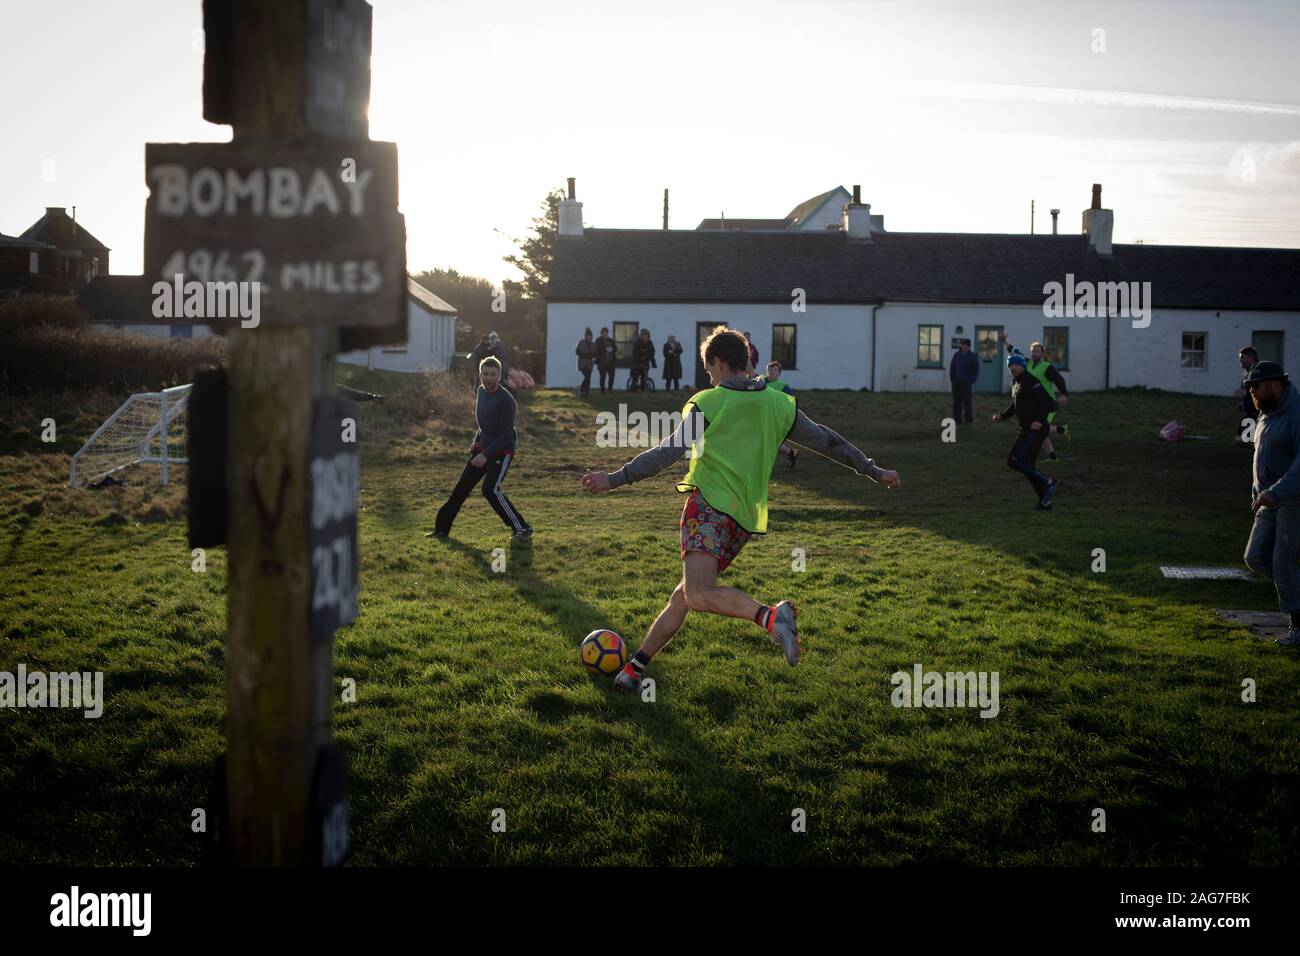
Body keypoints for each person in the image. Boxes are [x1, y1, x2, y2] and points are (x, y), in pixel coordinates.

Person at [581, 325, 901, 691]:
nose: (709, 377)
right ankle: (634, 670)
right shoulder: (779, 405)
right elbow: (830, 442)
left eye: (709, 369)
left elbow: (669, 451)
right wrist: (873, 470)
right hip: (744, 521)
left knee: (698, 594)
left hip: (708, 508)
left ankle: (770, 618)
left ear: (718, 362)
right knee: (685, 594)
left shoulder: (712, 402)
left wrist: (616, 477)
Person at [428, 356, 532, 539]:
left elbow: (506, 435)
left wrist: (485, 455)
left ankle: (522, 528)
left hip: (502, 450)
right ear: (480, 374)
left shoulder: (507, 400)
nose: (489, 378)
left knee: (490, 490)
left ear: (499, 375)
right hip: (483, 448)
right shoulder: (481, 392)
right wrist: (477, 443)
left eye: (493, 374)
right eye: (485, 374)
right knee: (461, 489)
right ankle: (441, 531)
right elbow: (484, 424)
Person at [1241, 361, 1300, 646]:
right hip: (1267, 501)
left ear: (1276, 384)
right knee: (1255, 558)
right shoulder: (1266, 414)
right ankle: (1295, 594)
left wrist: (1275, 492)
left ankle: (1298, 626)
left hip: (1293, 499)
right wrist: (1258, 493)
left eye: (1257, 386)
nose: (1252, 391)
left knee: (1282, 564)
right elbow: (1260, 458)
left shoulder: (1297, 413)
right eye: (1251, 387)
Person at [992, 351, 1059, 510]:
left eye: (1016, 365)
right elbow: (1016, 406)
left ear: (1022, 366)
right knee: (1027, 466)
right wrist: (1002, 416)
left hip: (1035, 431)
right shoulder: (1016, 383)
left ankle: (1049, 482)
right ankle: (1045, 502)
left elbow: (1050, 404)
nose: (1013, 368)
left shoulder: (1030, 381)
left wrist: (1039, 420)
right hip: (1025, 430)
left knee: (1015, 461)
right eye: (1010, 365)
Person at [1001, 333, 1070, 460]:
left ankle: (1059, 434)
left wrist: (1064, 393)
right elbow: (1013, 352)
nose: (1034, 354)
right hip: (1033, 404)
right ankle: (1053, 455)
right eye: (1033, 351)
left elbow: (1059, 379)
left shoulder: (1046, 367)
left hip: (1046, 404)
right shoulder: (1026, 363)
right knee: (1039, 430)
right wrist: (1005, 340)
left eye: (1037, 351)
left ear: (1042, 353)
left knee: (1039, 429)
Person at [763, 361, 800, 467]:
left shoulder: (783, 387)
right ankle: (791, 452)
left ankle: (790, 453)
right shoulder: (760, 381)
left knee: (769, 440)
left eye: (775, 370)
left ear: (779, 373)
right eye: (770, 369)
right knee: (769, 441)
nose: (772, 371)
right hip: (759, 415)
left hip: (772, 417)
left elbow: (791, 401)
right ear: (767, 371)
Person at [949, 338, 978, 425]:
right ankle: (957, 419)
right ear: (961, 346)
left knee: (967, 401)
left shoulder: (972, 356)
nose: (965, 347)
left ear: (969, 347)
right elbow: (952, 367)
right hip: (956, 382)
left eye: (967, 346)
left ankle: (968, 419)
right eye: (963, 345)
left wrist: (972, 380)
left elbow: (975, 369)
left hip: (966, 383)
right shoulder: (956, 355)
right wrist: (952, 378)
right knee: (956, 402)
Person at [1236, 347, 1260, 446]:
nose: (1240, 360)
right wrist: (1242, 403)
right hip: (1249, 413)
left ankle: (1261, 452)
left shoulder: (1259, 372)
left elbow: (1262, 391)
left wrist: (1247, 394)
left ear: (1251, 357)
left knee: (1243, 440)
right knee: (1241, 439)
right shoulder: (1248, 374)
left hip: (1257, 414)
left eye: (1243, 357)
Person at [595, 327, 617, 394]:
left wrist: (612, 349)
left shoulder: (611, 340)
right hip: (602, 362)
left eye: (606, 332)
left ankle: (610, 389)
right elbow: (597, 350)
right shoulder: (598, 340)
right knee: (602, 378)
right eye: (604, 333)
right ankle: (602, 391)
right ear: (601, 333)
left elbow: (615, 349)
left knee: (611, 377)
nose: (605, 334)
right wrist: (606, 349)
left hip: (611, 362)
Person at [575, 328, 596, 396]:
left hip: (590, 363)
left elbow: (595, 353)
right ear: (585, 336)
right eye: (588, 335)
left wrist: (591, 355)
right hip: (582, 363)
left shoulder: (594, 344)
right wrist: (584, 355)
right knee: (587, 377)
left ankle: (586, 392)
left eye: (590, 336)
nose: (589, 337)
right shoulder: (581, 342)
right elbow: (577, 352)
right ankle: (582, 389)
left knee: (588, 377)